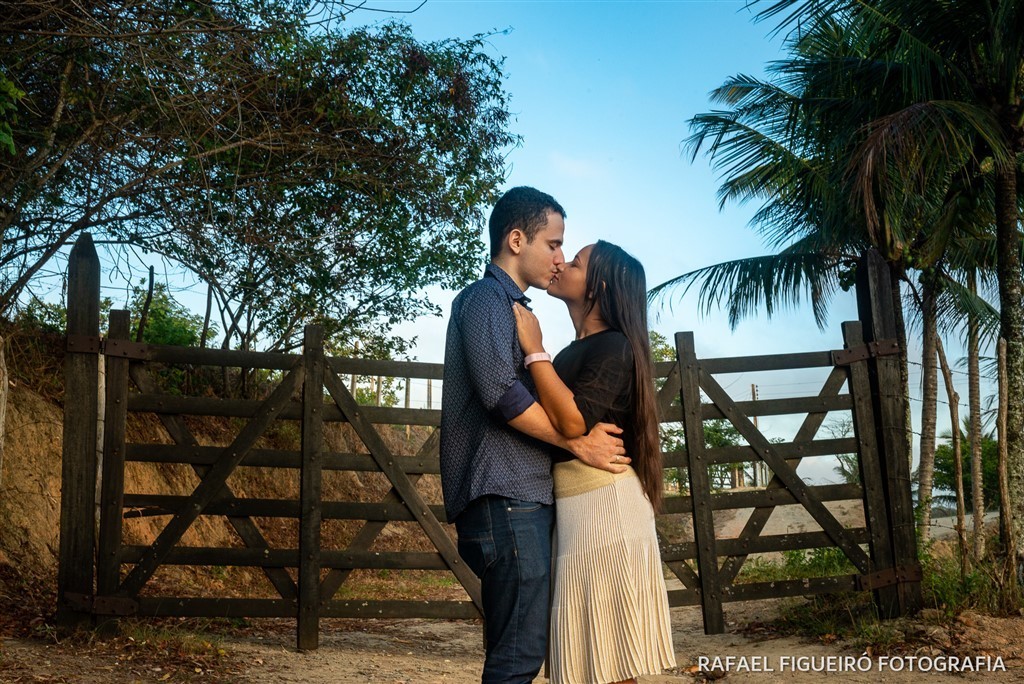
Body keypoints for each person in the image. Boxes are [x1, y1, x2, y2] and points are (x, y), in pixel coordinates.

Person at [439, 187, 630, 684]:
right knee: (519, 656)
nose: (560, 258)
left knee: (523, 648)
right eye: (554, 244)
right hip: (504, 498)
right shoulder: (484, 300)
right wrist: (574, 442)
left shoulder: (518, 311)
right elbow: (501, 394)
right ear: (517, 240)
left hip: (521, 499)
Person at [512, 240, 677, 684]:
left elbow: (570, 420)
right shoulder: (572, 353)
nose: (562, 262)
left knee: (612, 657)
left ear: (598, 286)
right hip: (578, 510)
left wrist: (534, 348)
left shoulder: (615, 347)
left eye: (577, 261)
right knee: (591, 657)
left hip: (606, 508)